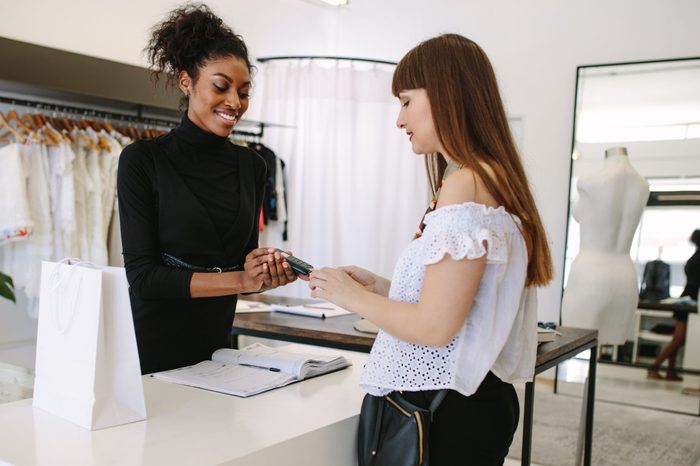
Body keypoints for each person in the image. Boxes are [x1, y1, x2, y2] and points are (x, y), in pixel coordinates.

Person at [307, 34, 553, 465]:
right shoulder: (492, 178)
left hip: (445, 410)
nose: (399, 120)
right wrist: (381, 287)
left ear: (445, 94)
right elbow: (462, 302)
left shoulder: (465, 185)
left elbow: (434, 327)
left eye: (405, 101)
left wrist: (350, 297)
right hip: (473, 403)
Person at [117, 4, 296, 375]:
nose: (235, 102)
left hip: (219, 352)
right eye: (221, 86)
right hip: (151, 353)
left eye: (244, 92)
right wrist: (242, 279)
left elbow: (243, 270)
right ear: (186, 82)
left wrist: (265, 272)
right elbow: (144, 278)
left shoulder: (252, 165)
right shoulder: (142, 160)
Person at [561, 147, 649, 345]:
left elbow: (577, 214)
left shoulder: (589, 182)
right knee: (601, 344)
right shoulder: (642, 185)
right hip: (625, 276)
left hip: (590, 274)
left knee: (574, 344)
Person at [647, 229, 700, 381]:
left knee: (678, 338)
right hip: (690, 300)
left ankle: (670, 371)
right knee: (678, 339)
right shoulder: (698, 259)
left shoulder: (694, 258)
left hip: (685, 298)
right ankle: (654, 367)